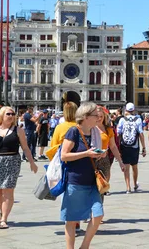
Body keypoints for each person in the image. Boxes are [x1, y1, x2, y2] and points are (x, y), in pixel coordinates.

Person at [0, 106, 38, 229]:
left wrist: (32, 162)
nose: (11, 116)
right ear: (2, 115)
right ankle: (2, 210)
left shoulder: (18, 130)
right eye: (8, 114)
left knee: (7, 191)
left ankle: (4, 218)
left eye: (12, 114)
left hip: (12, 161)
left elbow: (25, 148)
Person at [60, 102, 106, 248]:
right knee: (72, 220)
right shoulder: (74, 131)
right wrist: (87, 153)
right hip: (76, 181)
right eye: (95, 115)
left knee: (98, 214)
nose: (98, 117)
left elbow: (91, 153)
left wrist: (98, 155)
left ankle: (84, 246)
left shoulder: (94, 132)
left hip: (92, 181)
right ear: (85, 117)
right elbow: (64, 155)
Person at [116, 103, 146, 193]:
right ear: (133, 110)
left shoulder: (122, 120)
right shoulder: (138, 119)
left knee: (126, 167)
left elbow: (118, 134)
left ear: (126, 110)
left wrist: (118, 146)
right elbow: (140, 133)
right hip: (134, 146)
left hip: (124, 146)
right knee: (134, 166)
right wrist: (144, 147)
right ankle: (135, 184)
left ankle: (128, 187)